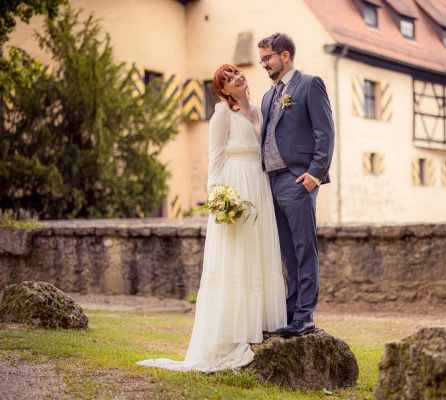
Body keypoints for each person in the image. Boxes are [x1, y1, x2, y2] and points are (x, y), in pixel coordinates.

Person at [137, 64, 287, 372]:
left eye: (237, 74)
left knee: (258, 251)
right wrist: (218, 200)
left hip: (260, 185)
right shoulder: (222, 114)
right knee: (237, 255)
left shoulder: (260, 111)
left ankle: (259, 322)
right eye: (229, 79)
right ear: (224, 91)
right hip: (236, 184)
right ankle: (231, 332)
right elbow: (215, 158)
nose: (237, 78)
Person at [257, 33, 334, 336]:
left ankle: (306, 316)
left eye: (267, 58)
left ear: (284, 55)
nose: (264, 64)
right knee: (286, 253)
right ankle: (291, 311)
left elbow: (325, 132)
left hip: (297, 179)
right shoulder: (267, 96)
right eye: (262, 59)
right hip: (271, 183)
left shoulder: (310, 84)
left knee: (304, 250)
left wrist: (315, 174)